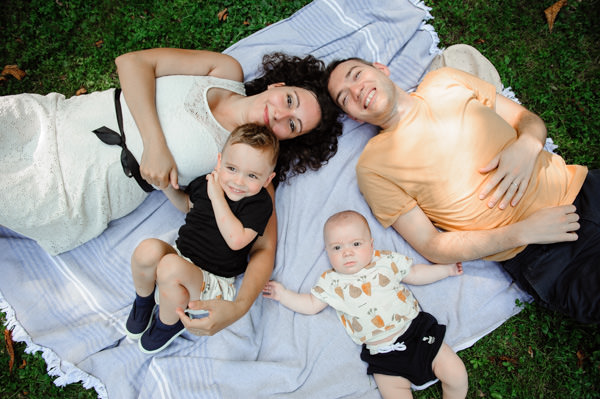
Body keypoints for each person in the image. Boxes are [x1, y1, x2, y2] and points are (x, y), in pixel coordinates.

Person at [326, 58, 599, 324]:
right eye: (344, 97)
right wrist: (522, 232)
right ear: (353, 116)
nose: (356, 89)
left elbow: (527, 119)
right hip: (545, 254)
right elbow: (432, 245)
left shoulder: (445, 80)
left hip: (580, 187)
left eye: (356, 75)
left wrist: (527, 144)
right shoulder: (372, 167)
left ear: (380, 68)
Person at [0, 48, 341, 255]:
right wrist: (155, 145)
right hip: (63, 121)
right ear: (278, 86)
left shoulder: (247, 161)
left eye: (292, 125)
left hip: (84, 188)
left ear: (288, 139)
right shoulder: (225, 71)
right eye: (290, 101)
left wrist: (165, 183)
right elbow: (133, 63)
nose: (280, 115)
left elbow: (198, 208)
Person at [263, 210, 467, 399]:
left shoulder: (384, 261)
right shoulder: (331, 282)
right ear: (327, 251)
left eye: (356, 244)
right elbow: (310, 304)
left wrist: (445, 270)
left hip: (416, 333)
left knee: (456, 374)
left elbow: (414, 273)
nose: (347, 253)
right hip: (383, 356)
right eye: (337, 247)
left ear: (371, 244)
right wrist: (283, 295)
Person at [126, 123, 278, 354]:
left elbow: (236, 240)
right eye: (232, 168)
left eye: (252, 175)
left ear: (268, 180)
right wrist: (166, 188)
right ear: (219, 162)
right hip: (182, 256)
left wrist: (217, 196)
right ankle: (144, 300)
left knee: (169, 268)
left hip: (212, 280)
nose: (238, 181)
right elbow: (188, 205)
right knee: (146, 250)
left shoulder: (258, 204)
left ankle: (168, 323)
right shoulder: (208, 182)